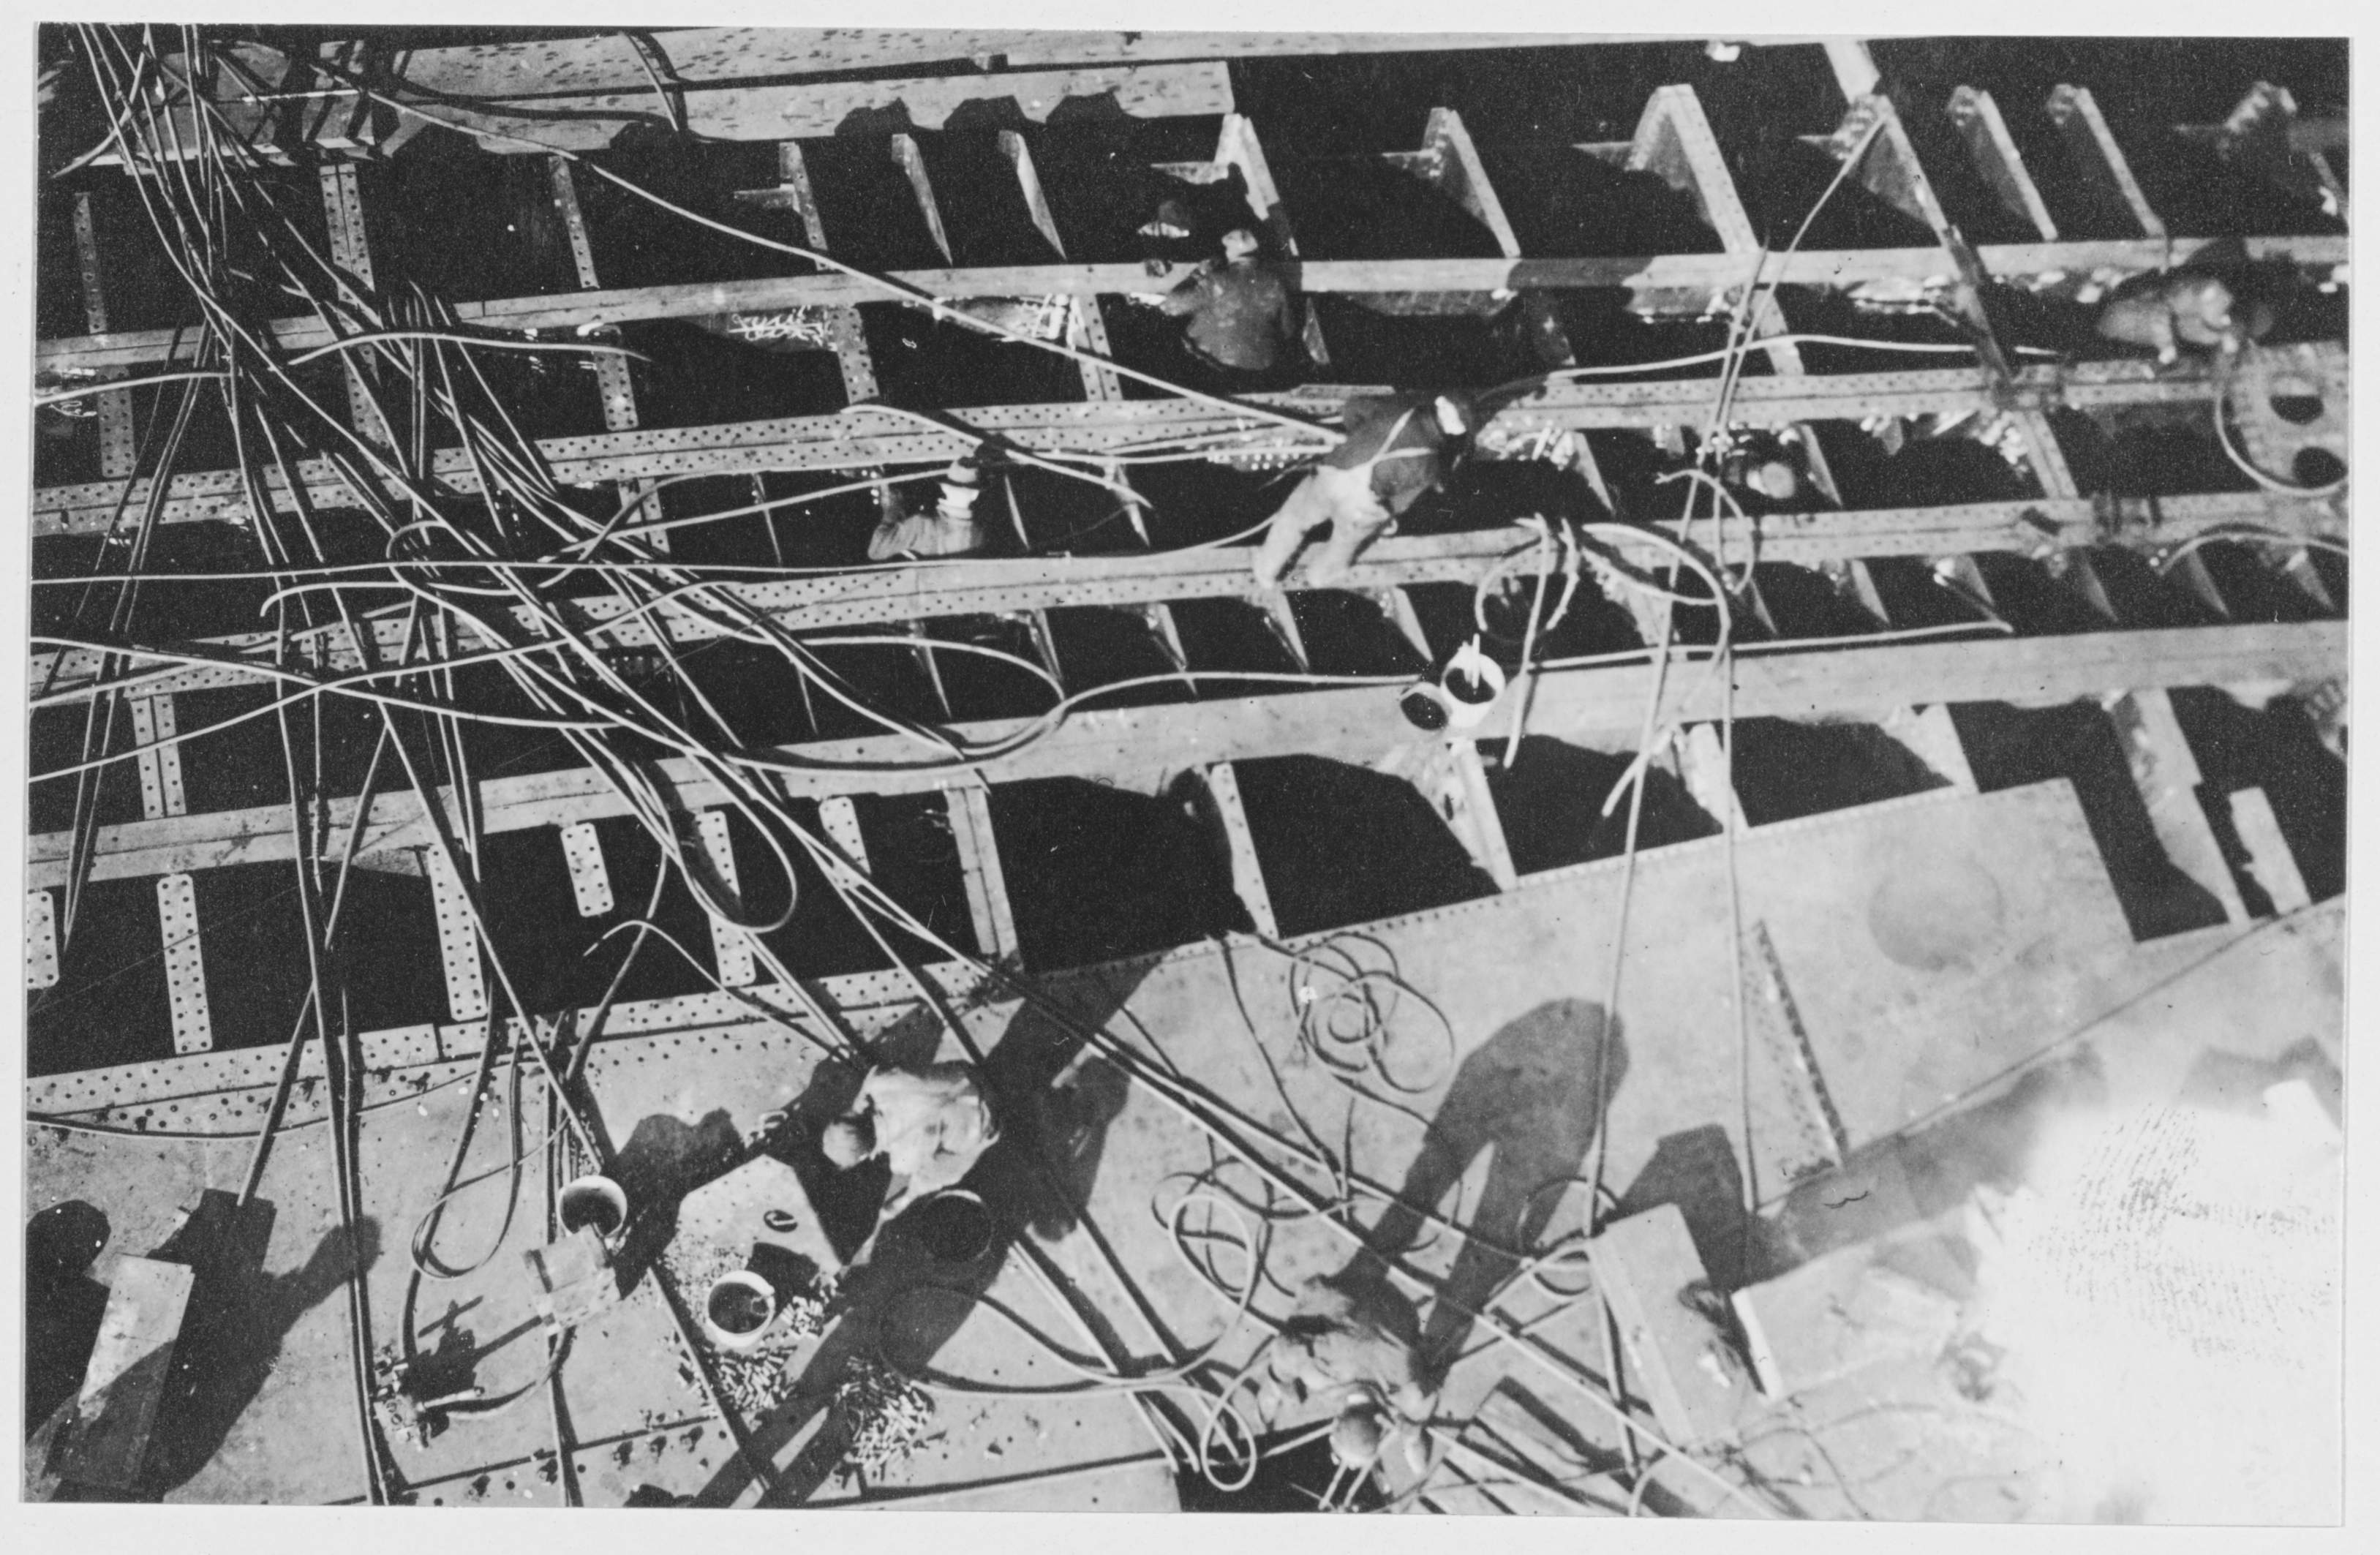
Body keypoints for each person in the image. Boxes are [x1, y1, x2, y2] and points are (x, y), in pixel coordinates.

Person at [1251, 391, 1474, 589]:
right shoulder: (1432, 465)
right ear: (1459, 430)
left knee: (1295, 518)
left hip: (1334, 475)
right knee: (1343, 546)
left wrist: (1357, 440)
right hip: (1361, 506)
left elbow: (1353, 407)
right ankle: (1319, 577)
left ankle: (1265, 572)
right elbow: (1401, 504)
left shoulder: (1398, 407)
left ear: (1440, 402)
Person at [1267, 1270, 1434, 1472]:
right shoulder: (1319, 1376)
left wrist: (1409, 1433)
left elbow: (1420, 1468)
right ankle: (1272, 1390)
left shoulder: (1407, 1389)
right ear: (1337, 1420)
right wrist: (1281, 1382)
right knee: (1300, 1334)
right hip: (1350, 1295)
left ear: (1378, 1425)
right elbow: (1283, 1347)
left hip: (1394, 1301)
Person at [821, 1061, 1000, 1217]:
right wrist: (859, 1102)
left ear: (864, 1156)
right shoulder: (879, 1082)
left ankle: (910, 1196)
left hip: (989, 1123)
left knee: (934, 1173)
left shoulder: (901, 1162)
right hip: (972, 1076)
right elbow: (874, 1073)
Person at [1159, 228, 1304, 380]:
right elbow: (1288, 330)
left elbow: (1170, 306)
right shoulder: (1275, 283)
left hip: (1211, 368)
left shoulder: (1216, 281)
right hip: (1261, 370)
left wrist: (1198, 273)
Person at [869, 456, 992, 562]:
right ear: (975, 494)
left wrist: (891, 510)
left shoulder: (921, 525)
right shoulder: (979, 534)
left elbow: (876, 551)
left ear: (944, 488)